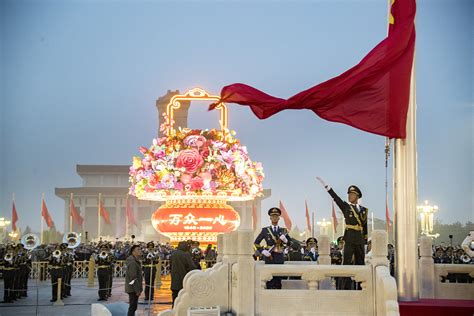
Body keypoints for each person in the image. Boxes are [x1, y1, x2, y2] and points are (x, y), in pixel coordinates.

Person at [317, 177, 368, 289]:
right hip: (349, 237)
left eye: (352, 194)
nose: (349, 196)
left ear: (357, 196)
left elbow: (364, 227)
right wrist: (328, 188)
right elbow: (336, 198)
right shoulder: (346, 207)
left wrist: (365, 242)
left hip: (359, 238)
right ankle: (346, 289)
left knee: (361, 264)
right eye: (349, 194)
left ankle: (361, 289)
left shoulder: (364, 210)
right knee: (347, 264)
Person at [254, 207, 292, 289]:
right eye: (273, 216)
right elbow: (256, 243)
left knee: (278, 279)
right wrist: (263, 251)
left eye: (276, 216)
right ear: (270, 218)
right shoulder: (265, 230)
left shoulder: (283, 231)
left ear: (279, 218)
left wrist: (285, 240)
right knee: (269, 278)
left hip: (279, 256)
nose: (274, 218)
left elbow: (290, 244)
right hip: (269, 256)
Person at [170, 241, 197, 307]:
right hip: (184, 279)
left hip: (174, 278)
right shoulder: (186, 254)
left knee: (175, 297)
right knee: (183, 299)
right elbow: (192, 267)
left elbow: (170, 265)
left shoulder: (173, 253)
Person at [125, 244, 143, 316]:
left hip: (133, 287)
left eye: (140, 249)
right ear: (133, 252)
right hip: (133, 288)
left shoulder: (135, 260)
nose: (140, 251)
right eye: (138, 249)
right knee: (132, 307)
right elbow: (133, 277)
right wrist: (137, 290)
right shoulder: (132, 262)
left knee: (133, 307)